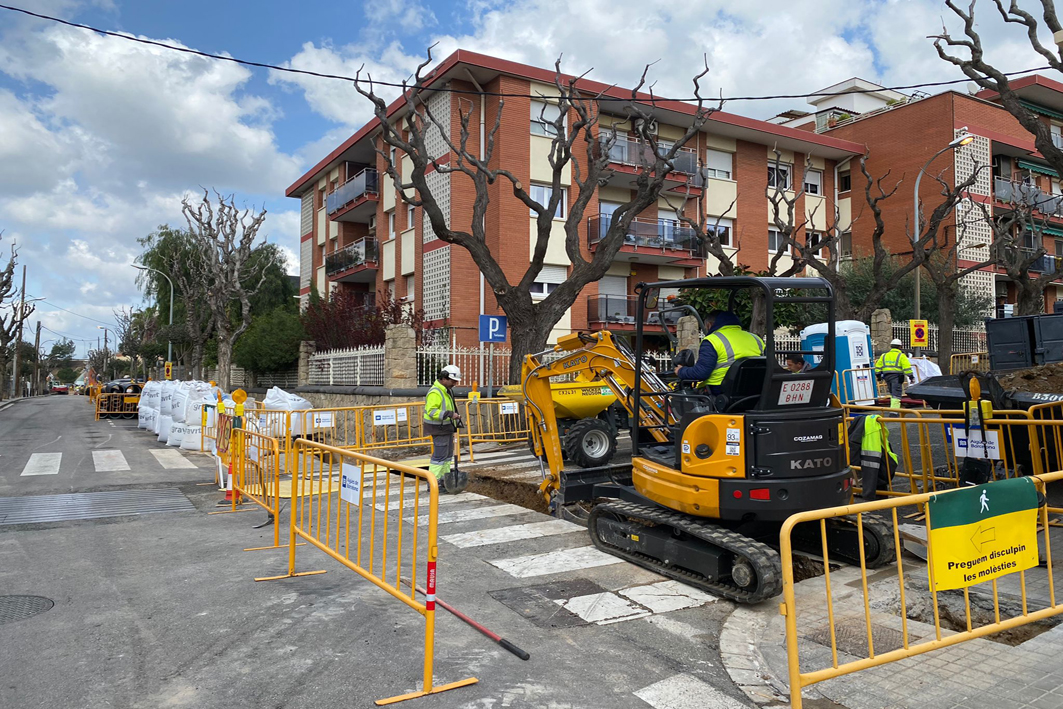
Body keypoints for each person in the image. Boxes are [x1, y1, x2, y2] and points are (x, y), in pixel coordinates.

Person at [674, 310, 765, 393]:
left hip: (720, 390)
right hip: (755, 390)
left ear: (709, 325)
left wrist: (681, 371)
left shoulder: (712, 340)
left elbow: (701, 373)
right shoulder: (755, 338)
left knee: (682, 398)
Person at [424, 364, 464, 493]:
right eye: (453, 381)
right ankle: (433, 483)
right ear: (444, 378)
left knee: (447, 456)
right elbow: (431, 411)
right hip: (438, 428)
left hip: (446, 427)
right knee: (439, 457)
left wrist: (453, 416)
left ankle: (444, 480)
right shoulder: (436, 392)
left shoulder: (446, 390)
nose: (455, 384)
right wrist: (450, 414)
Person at [875, 338, 914, 409]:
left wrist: (878, 376)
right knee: (896, 394)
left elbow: (878, 367)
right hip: (897, 377)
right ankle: (894, 411)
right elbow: (907, 368)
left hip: (887, 377)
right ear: (900, 347)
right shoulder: (901, 356)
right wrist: (911, 377)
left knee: (892, 393)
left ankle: (894, 408)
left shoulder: (884, 355)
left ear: (891, 346)